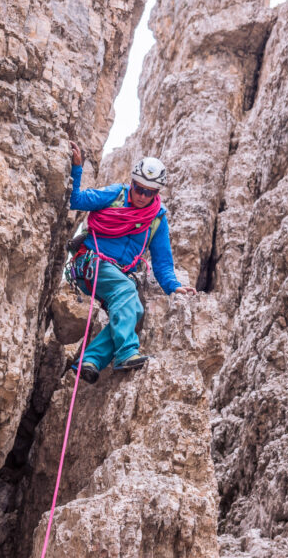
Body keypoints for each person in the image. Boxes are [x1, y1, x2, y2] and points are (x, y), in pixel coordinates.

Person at [67, 140, 196, 384]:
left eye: (150, 192)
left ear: (157, 193)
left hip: (114, 275)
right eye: (139, 189)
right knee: (127, 290)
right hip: (90, 263)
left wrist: (173, 286)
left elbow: (162, 261)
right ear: (132, 183)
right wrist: (77, 169)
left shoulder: (157, 219)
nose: (142, 195)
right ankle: (126, 354)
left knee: (134, 310)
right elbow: (77, 201)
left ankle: (90, 360)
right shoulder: (115, 195)